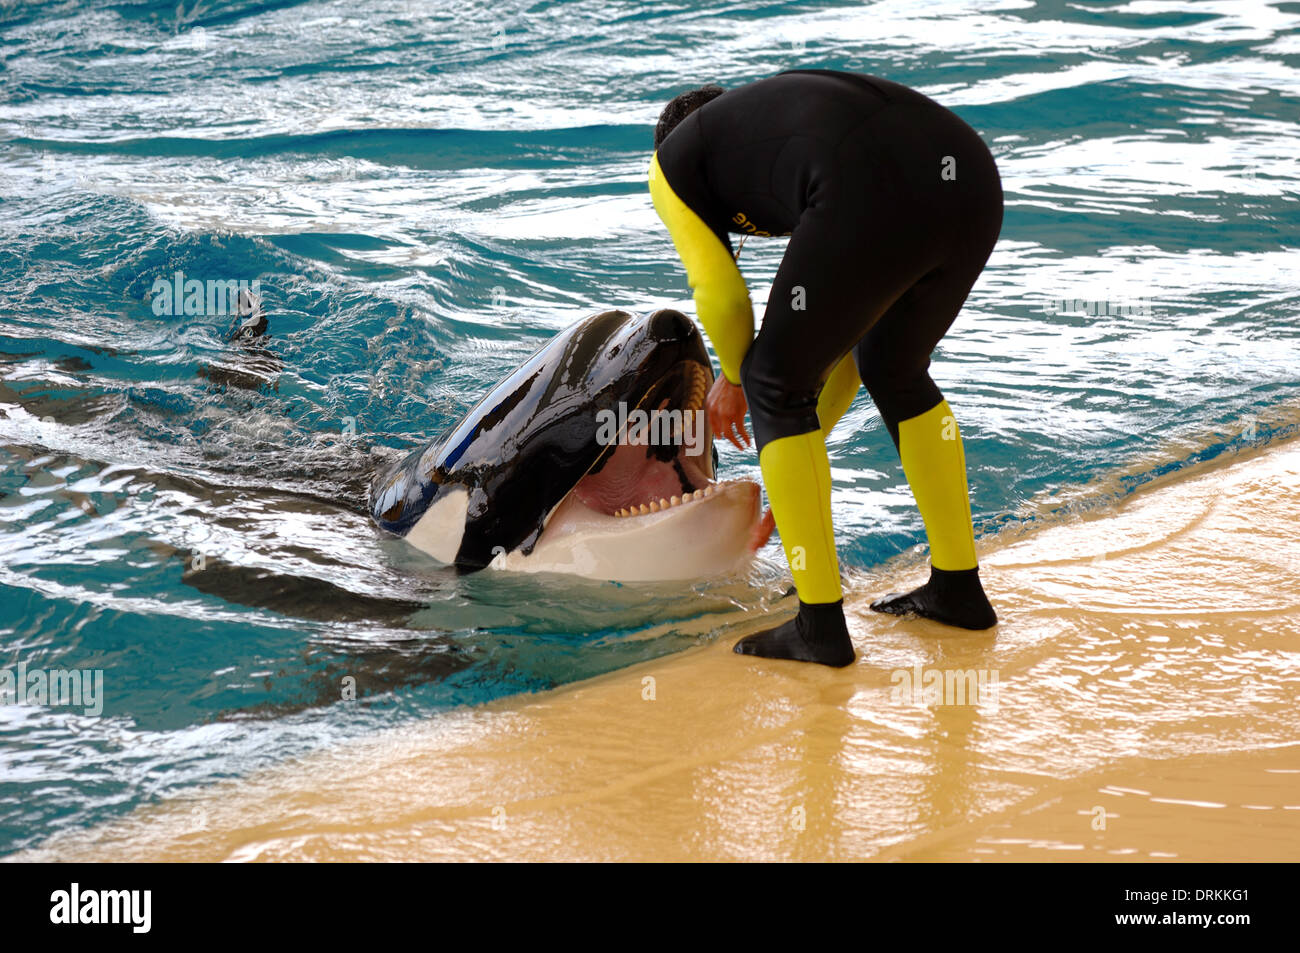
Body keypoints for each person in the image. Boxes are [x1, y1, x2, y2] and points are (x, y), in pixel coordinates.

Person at [648, 69, 1002, 667]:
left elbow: (721, 298)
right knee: (893, 366)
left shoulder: (670, 167)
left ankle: (819, 628)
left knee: (766, 378)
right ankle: (958, 590)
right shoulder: (777, 144)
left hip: (876, 180)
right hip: (970, 178)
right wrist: (793, 466)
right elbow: (842, 349)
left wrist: (735, 381)